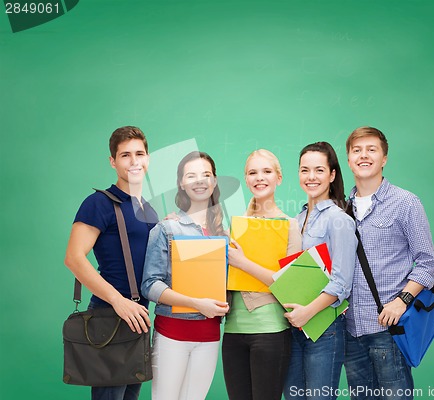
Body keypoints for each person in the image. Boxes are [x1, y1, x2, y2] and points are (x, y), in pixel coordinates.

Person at [344, 126, 434, 400]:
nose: (364, 156)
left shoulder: (406, 203)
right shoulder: (340, 208)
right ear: (349, 159)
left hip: (389, 330)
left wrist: (402, 300)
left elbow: (428, 264)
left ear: (384, 158)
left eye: (371, 150)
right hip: (351, 331)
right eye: (357, 150)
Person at [64, 126, 159, 400]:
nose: (134, 161)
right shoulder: (99, 203)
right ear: (113, 162)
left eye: (139, 154)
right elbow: (73, 258)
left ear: (148, 158)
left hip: (139, 317)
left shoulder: (149, 210)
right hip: (110, 314)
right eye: (125, 155)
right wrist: (119, 301)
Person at [141, 151, 230, 400]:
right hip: (172, 334)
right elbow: (149, 285)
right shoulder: (167, 228)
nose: (199, 181)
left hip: (210, 336)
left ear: (214, 181)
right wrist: (195, 304)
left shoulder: (224, 234)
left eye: (206, 175)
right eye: (191, 176)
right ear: (181, 182)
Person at [223, 149, 302, 400]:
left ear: (279, 178)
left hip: (270, 331)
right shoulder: (234, 228)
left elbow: (289, 285)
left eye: (267, 171)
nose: (260, 177)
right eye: (252, 172)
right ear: (246, 180)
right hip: (233, 331)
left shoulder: (290, 225)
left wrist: (242, 262)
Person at [283, 141, 357, 400]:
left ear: (332, 175)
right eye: (304, 170)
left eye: (319, 170)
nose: (311, 177)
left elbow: (341, 283)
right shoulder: (296, 219)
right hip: (293, 325)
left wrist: (308, 313)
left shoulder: (339, 220)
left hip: (325, 328)